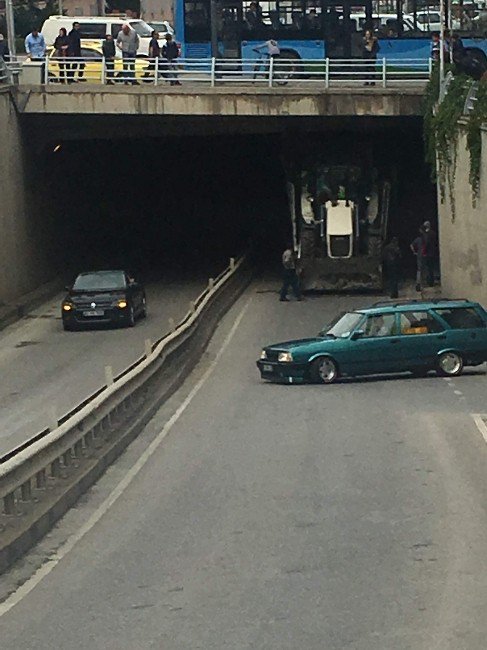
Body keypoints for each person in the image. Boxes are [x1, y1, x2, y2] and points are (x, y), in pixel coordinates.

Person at [410, 227, 426, 292]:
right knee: (424, 269)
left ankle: (419, 283)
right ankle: (422, 283)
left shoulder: (418, 239)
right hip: (425, 255)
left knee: (419, 269)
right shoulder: (426, 238)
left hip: (419, 255)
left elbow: (411, 245)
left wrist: (414, 252)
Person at [421, 220, 436, 287]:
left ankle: (429, 281)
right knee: (431, 267)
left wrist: (423, 251)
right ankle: (431, 281)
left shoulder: (426, 234)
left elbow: (426, 243)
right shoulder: (433, 233)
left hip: (427, 253)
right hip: (432, 252)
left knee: (427, 267)